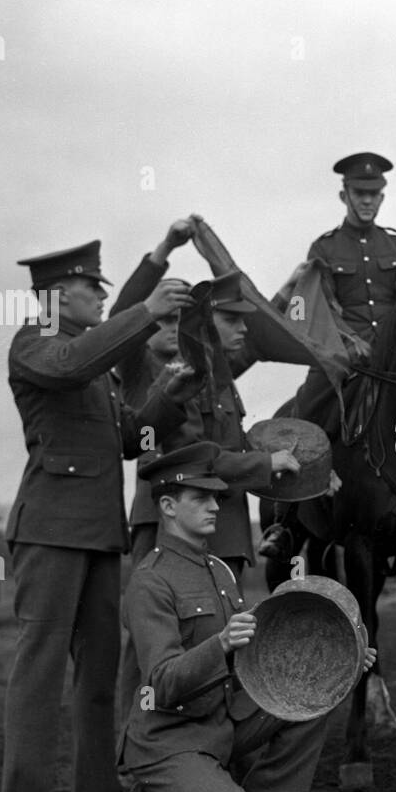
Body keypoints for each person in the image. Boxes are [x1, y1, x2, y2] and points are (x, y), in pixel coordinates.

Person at [1, 224, 203, 792]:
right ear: (58, 293)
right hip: (50, 531)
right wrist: (145, 312)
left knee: (97, 674)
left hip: (96, 535)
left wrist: (169, 397)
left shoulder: (96, 366)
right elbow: (70, 365)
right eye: (92, 287)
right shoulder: (37, 344)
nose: (98, 296)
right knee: (39, 672)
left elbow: (126, 441)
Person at [121, 442, 374, 792]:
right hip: (172, 738)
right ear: (167, 506)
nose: (216, 507)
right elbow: (159, 686)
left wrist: (342, 658)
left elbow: (253, 658)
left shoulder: (219, 570)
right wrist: (220, 644)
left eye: (217, 498)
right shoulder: (150, 582)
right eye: (200, 498)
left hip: (220, 724)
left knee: (317, 683)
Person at [110, 270, 301, 734]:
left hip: (225, 524)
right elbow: (199, 460)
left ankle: (209, 751)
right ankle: (139, 755)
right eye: (231, 320)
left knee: (221, 642)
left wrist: (288, 287)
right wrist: (264, 463)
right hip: (176, 520)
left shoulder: (218, 373)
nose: (243, 331)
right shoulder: (162, 372)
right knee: (153, 648)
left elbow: (250, 341)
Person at [258, 151, 396, 561]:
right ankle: (285, 519)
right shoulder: (325, 247)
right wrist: (350, 343)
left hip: (393, 365)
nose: (367, 201)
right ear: (344, 194)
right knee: (302, 413)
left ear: (383, 197)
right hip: (340, 360)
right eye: (359, 193)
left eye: (374, 194)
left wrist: (391, 348)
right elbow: (321, 305)